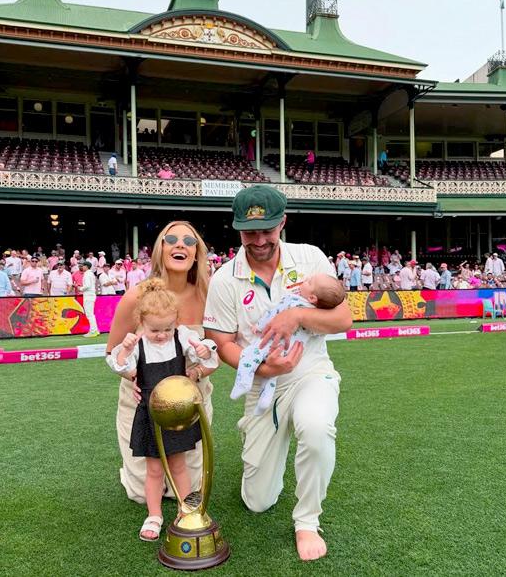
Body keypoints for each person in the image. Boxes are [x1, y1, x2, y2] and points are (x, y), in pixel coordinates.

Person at [204, 185, 353, 561]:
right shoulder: (224, 278)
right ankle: (264, 436)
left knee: (316, 428)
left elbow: (343, 318)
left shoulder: (310, 258)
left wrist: (297, 315)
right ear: (237, 229)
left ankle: (307, 521)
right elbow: (222, 342)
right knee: (257, 501)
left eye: (267, 230)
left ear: (282, 223)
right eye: (249, 232)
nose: (258, 240)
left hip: (310, 372)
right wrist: (266, 366)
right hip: (261, 384)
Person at [106, 221, 218, 507]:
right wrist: (135, 377)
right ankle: (131, 473)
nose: (180, 244)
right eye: (172, 239)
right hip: (143, 404)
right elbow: (112, 352)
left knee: (188, 493)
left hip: (190, 403)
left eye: (189, 241)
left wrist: (196, 373)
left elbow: (216, 351)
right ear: (161, 249)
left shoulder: (211, 296)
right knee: (142, 494)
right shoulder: (136, 296)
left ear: (197, 253)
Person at [229, 273, 346, 415]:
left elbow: (273, 315)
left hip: (270, 343)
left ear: (312, 297)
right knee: (272, 375)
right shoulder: (316, 313)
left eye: (309, 282)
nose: (305, 280)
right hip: (288, 352)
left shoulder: (292, 301)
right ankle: (265, 399)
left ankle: (243, 382)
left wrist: (259, 326)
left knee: (248, 354)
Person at [79, 262, 100, 337]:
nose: (82, 267)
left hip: (88, 296)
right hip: (90, 295)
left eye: (83, 266)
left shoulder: (87, 274)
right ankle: (95, 330)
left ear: (86, 266)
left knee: (89, 314)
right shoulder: (90, 274)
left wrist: (80, 288)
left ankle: (93, 331)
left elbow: (87, 285)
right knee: (91, 314)